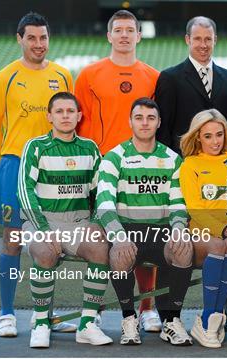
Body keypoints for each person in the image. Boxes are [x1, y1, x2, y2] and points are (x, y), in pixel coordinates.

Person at [0, 11, 74, 337]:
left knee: (50, 240)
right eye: (31, 38)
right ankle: (6, 314)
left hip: (54, 169)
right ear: (19, 39)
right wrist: (12, 158)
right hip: (16, 166)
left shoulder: (62, 76)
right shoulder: (4, 78)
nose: (38, 44)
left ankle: (42, 314)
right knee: (13, 240)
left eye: (43, 37)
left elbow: (70, 119)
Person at [75, 9, 161, 332]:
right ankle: (94, 308)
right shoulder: (88, 75)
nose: (124, 35)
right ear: (109, 35)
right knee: (101, 239)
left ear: (139, 36)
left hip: (141, 170)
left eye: (130, 30)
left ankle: (147, 307)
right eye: (118, 30)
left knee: (145, 234)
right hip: (101, 170)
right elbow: (79, 127)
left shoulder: (153, 77)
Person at [96, 98, 194, 346]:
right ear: (130, 121)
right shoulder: (114, 157)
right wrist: (118, 237)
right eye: (139, 118)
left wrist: (179, 230)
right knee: (120, 255)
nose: (145, 123)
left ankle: (172, 321)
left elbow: (178, 203)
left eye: (151, 118)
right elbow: (104, 202)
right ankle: (129, 318)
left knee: (184, 249)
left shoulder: (172, 159)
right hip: (127, 229)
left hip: (160, 230)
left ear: (159, 122)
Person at [18, 92, 112, 348]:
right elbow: (25, 191)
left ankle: (87, 324)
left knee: (99, 249)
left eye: (70, 111)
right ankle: (40, 323)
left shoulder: (89, 147)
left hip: (79, 223)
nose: (65, 116)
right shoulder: (36, 146)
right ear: (49, 116)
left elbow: (99, 192)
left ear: (79, 116)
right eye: (59, 111)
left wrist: (94, 222)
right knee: (46, 252)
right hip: (42, 221)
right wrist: (44, 229)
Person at [178, 109, 227, 348]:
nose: (215, 141)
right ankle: (205, 319)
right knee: (218, 244)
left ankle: (215, 319)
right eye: (208, 136)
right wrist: (222, 227)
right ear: (197, 138)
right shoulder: (190, 164)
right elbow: (194, 207)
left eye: (219, 134)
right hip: (200, 230)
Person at [156, 16, 227, 156]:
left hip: (223, 163)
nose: (203, 45)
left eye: (208, 39)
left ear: (215, 40)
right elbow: (164, 128)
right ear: (187, 39)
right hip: (184, 162)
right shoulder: (170, 78)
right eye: (197, 39)